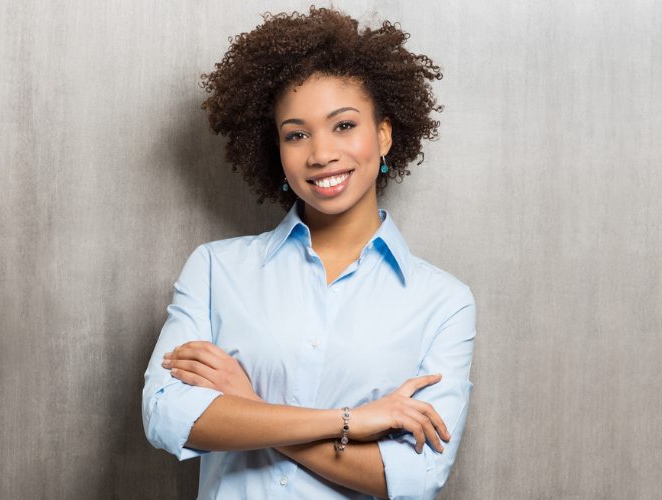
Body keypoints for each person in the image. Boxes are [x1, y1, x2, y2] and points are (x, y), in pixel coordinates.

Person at [142, 7, 476, 499]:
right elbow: (167, 417)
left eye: (343, 126)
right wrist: (350, 423)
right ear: (276, 149)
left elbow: (414, 477)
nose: (320, 153)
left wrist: (247, 406)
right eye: (296, 134)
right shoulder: (216, 270)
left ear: (383, 135)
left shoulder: (444, 302)